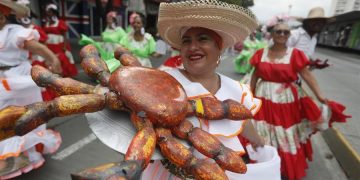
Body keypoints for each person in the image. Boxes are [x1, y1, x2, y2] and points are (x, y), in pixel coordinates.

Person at [140, 0, 283, 179]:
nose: (193, 47)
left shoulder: (235, 89)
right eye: (186, 41)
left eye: (202, 39)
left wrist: (259, 143)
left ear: (219, 47)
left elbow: (243, 122)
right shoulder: (164, 81)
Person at [249, 22, 350, 180]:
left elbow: (307, 75)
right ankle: (265, 162)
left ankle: (283, 166)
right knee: (264, 131)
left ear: (289, 35)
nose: (282, 35)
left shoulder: (294, 54)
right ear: (272, 33)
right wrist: (249, 95)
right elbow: (255, 75)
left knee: (284, 132)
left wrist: (320, 96)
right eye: (278, 31)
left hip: (286, 101)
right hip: (263, 98)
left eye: (285, 32)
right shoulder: (261, 53)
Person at [0, 0, 62, 179]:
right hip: (2, 81)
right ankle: (10, 153)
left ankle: (23, 154)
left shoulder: (15, 33)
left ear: (4, 16)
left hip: (19, 79)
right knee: (4, 116)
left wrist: (53, 59)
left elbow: (38, 47)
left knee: (19, 116)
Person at [43, 3, 78, 77]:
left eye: (49, 12)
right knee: (51, 57)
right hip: (49, 44)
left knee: (61, 57)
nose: (48, 13)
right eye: (47, 12)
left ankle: (63, 73)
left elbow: (65, 36)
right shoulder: (47, 23)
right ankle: (53, 72)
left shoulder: (60, 22)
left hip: (59, 44)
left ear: (54, 12)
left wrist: (65, 45)